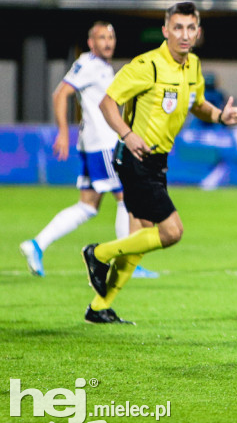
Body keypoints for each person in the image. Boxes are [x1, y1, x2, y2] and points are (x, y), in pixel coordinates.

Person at [80, 2, 237, 325]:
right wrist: (127, 134)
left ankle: (99, 307)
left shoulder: (192, 65)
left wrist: (220, 116)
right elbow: (107, 102)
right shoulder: (148, 65)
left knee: (140, 236)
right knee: (171, 232)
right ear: (165, 30)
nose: (184, 35)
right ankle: (97, 254)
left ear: (198, 33)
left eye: (190, 28)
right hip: (135, 157)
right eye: (177, 28)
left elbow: (198, 104)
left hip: (157, 161)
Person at [18, 22, 157, 280]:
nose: (108, 42)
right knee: (126, 198)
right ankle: (126, 262)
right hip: (103, 143)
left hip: (94, 143)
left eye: (111, 37)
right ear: (91, 43)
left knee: (88, 206)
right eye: (101, 38)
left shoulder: (99, 67)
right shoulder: (89, 65)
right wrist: (62, 131)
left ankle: (37, 245)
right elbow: (60, 94)